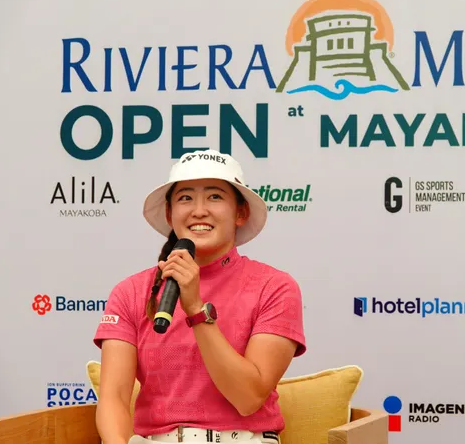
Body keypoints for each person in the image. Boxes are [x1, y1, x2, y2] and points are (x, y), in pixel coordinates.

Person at [92, 149, 307, 444]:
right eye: (185, 198)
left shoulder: (275, 287)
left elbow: (248, 398)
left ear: (241, 213)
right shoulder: (130, 291)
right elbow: (114, 397)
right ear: (169, 214)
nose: (199, 210)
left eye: (215, 196)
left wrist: (195, 308)